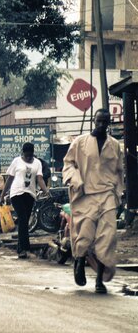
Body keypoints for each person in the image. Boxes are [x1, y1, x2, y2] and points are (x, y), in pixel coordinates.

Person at [63, 110, 123, 294]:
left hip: (107, 196)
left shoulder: (115, 145)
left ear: (109, 123)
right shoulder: (80, 142)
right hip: (86, 196)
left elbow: (119, 172)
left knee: (107, 239)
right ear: (93, 121)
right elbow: (68, 164)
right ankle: (79, 261)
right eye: (99, 121)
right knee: (85, 236)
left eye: (105, 122)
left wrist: (118, 196)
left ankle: (99, 281)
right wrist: (75, 180)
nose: (101, 125)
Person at [0, 143, 49, 259]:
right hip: (16, 193)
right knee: (22, 218)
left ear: (33, 153)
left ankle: (20, 248)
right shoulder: (16, 161)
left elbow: (40, 178)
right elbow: (9, 179)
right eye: (26, 156)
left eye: (30, 156)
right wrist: (2, 195)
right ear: (23, 152)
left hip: (30, 194)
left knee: (25, 222)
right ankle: (24, 248)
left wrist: (46, 191)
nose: (28, 158)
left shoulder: (37, 163)